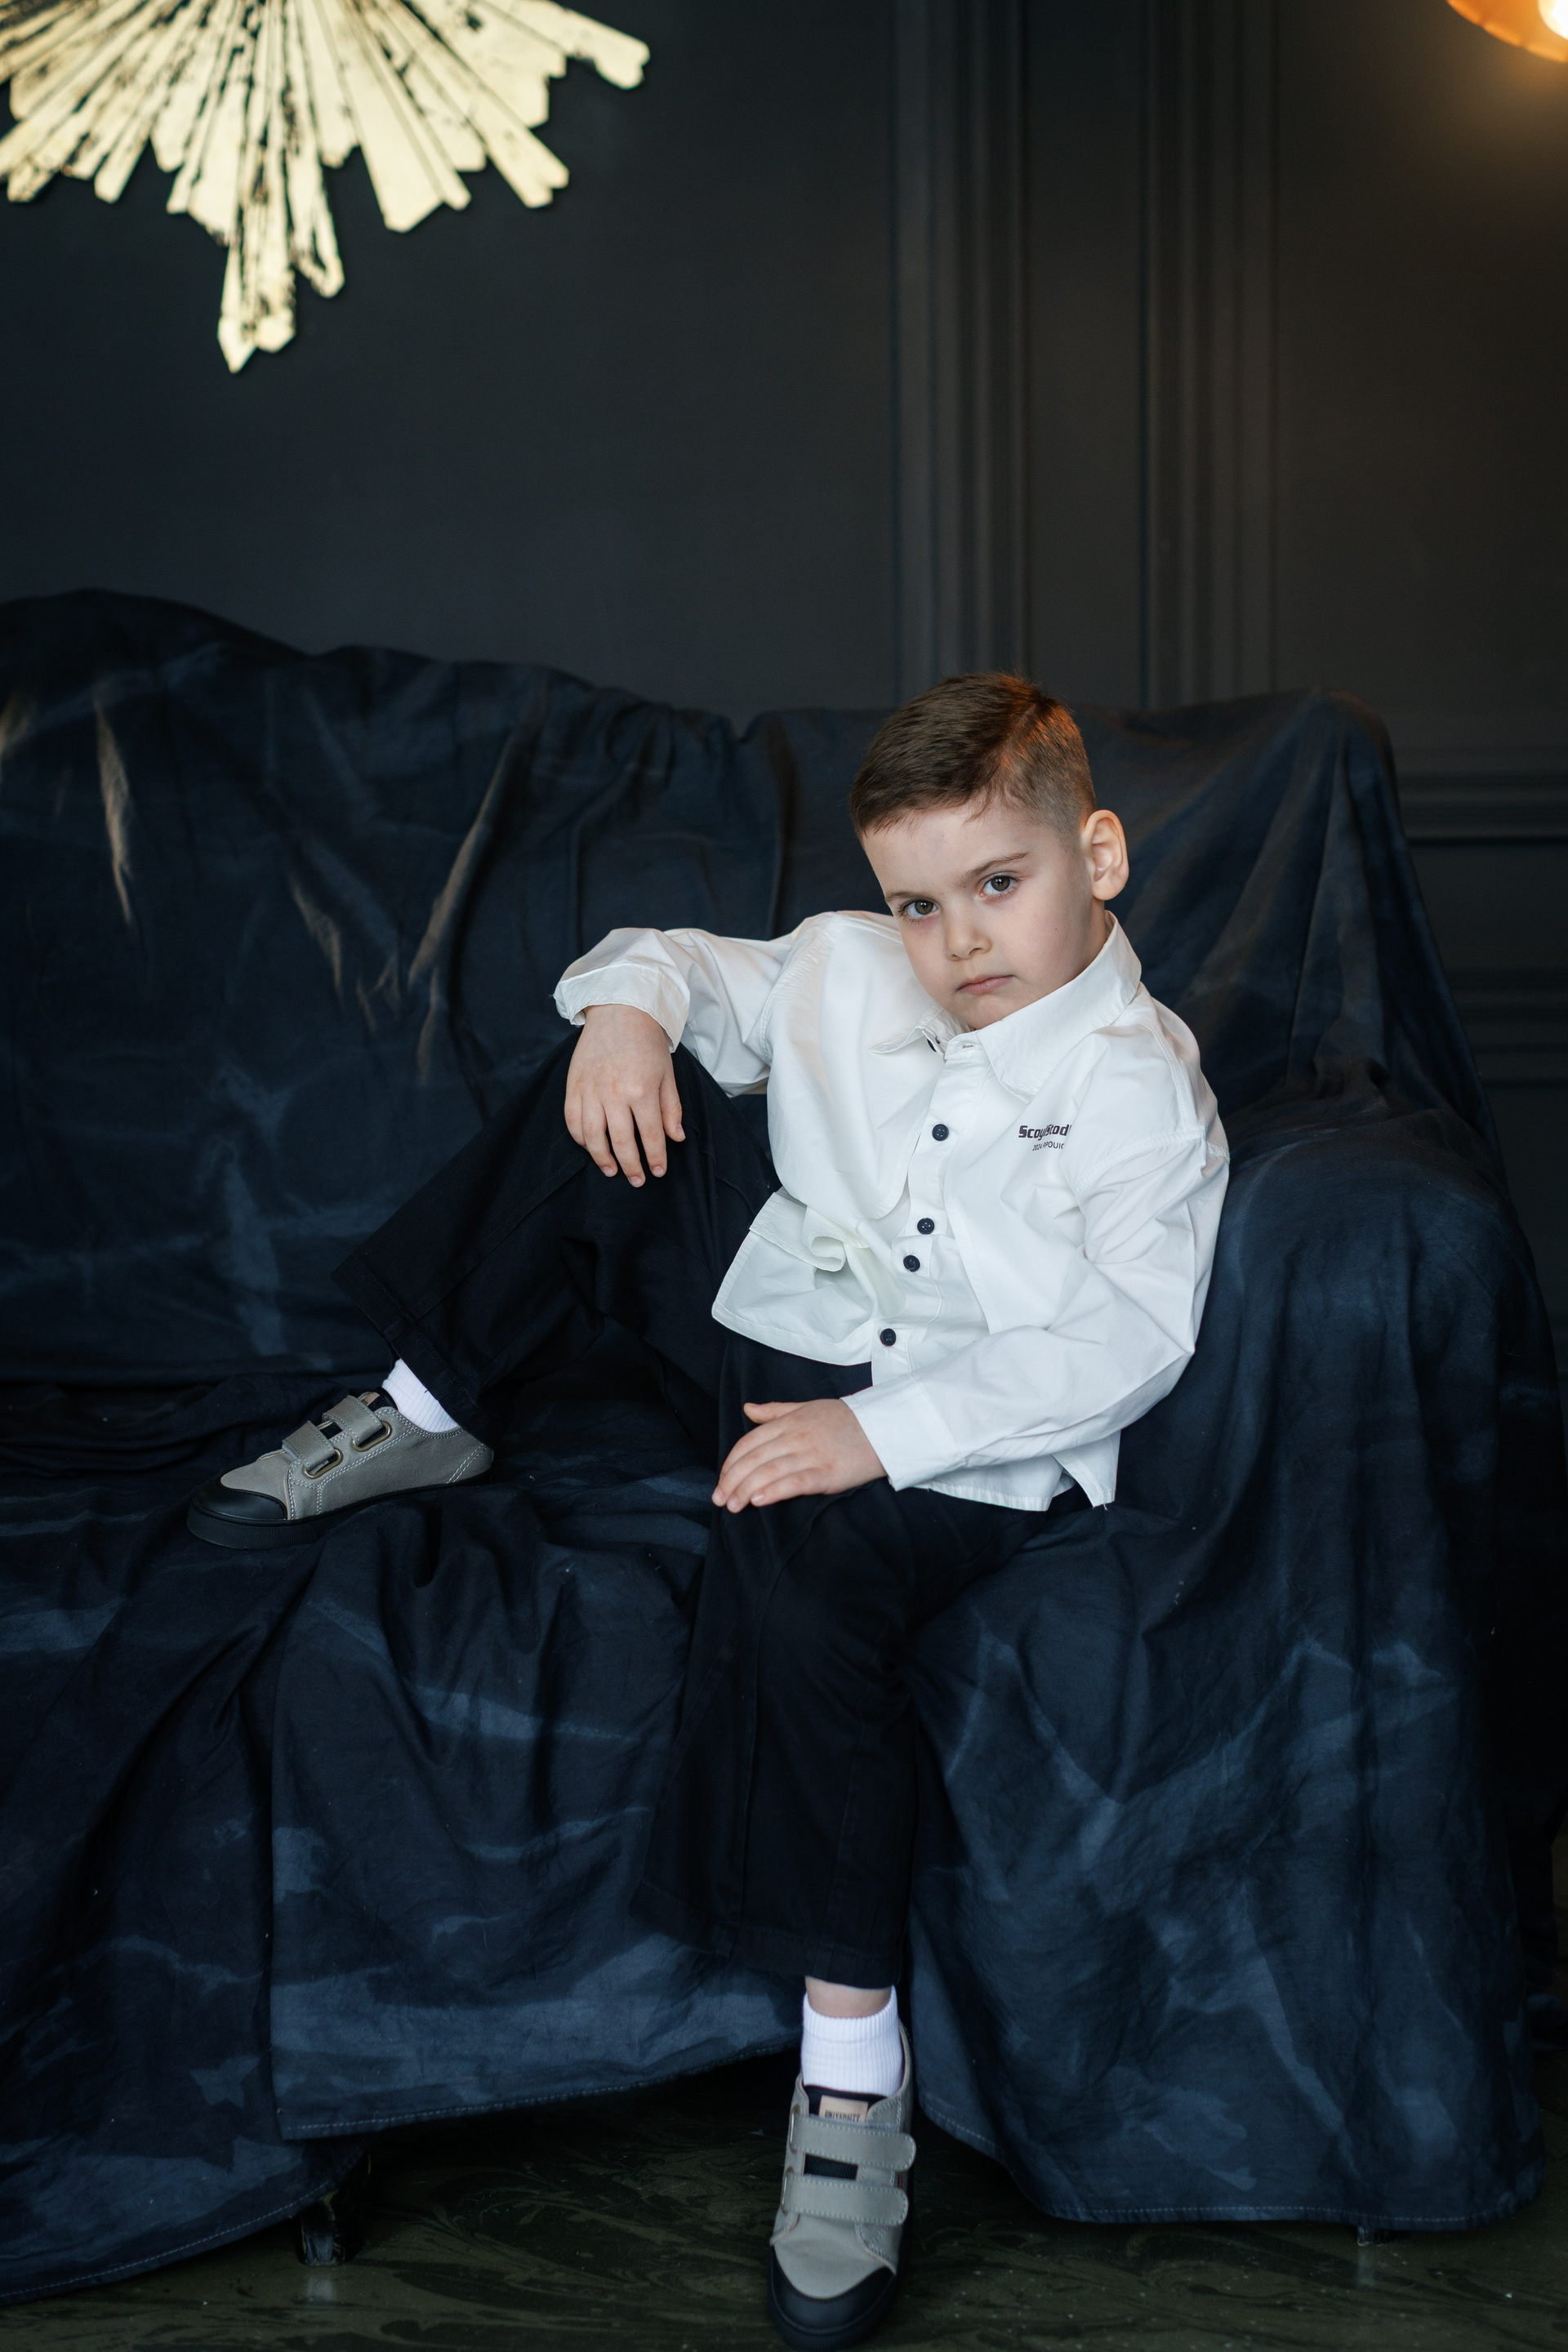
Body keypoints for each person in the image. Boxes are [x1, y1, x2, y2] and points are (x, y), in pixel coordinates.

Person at [189, 672, 1229, 2350]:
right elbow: (675, 961)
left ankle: (849, 2079)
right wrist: (626, 1013)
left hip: (966, 1438)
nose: (958, 938)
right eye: (919, 902)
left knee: (800, 1575)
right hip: (778, 1332)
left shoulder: (1140, 1085)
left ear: (1094, 857)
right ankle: (427, 1411)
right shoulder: (852, 967)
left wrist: (871, 1437)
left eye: (998, 884)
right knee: (609, 1086)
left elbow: (1126, 1339)